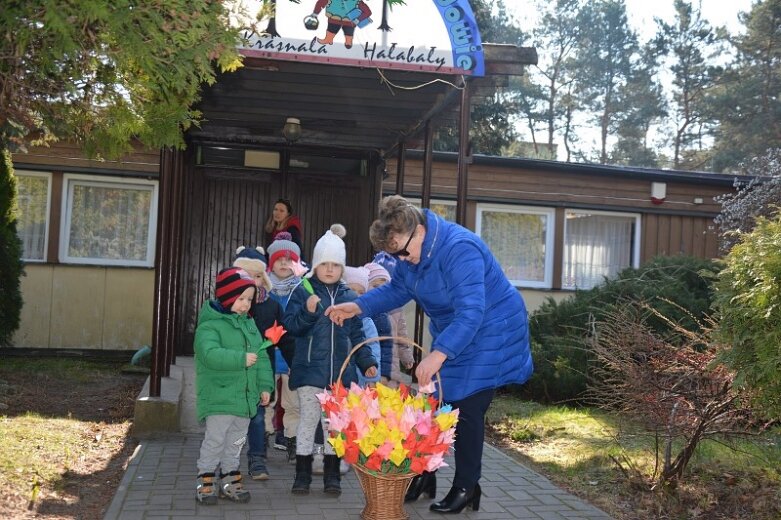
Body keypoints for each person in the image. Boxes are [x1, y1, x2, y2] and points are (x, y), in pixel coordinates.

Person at [325, 195, 533, 514]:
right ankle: (423, 475)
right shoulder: (413, 253)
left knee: (467, 407)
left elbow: (472, 311)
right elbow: (397, 290)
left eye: (404, 252)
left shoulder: (461, 249)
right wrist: (357, 306)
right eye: (396, 254)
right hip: (457, 329)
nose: (403, 259)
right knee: (434, 404)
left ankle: (466, 486)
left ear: (418, 232)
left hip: (491, 327)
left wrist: (439, 354)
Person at [282, 229, 378, 496]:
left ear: (342, 267)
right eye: (324, 263)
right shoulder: (303, 291)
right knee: (308, 422)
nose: (329, 269)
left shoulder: (350, 296)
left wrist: (366, 360)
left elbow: (358, 333)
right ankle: (302, 476)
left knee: (334, 426)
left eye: (335, 264)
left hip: (340, 376)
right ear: (315, 265)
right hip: (310, 373)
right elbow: (291, 327)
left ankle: (332, 475)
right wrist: (309, 312)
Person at [194, 267, 275, 505]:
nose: (246, 304)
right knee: (215, 441)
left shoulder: (250, 326)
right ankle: (205, 481)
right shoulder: (209, 326)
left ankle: (229, 480)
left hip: (244, 400)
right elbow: (209, 354)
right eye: (241, 299)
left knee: (236, 443)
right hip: (220, 397)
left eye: (249, 299)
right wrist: (239, 358)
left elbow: (261, 359)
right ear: (227, 297)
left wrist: (265, 386)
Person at [233, 246, 294, 481]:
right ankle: (225, 460)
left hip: (262, 373)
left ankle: (257, 460)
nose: (253, 281)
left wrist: (294, 363)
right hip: (234, 371)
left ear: (264, 277)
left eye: (258, 276)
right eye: (246, 275)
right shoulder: (230, 308)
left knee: (258, 416)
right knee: (233, 417)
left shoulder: (272, 306)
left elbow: (285, 338)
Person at [266, 233, 304, 462]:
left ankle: (292, 440)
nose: (283, 264)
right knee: (265, 399)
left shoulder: (300, 291)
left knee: (293, 403)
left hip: (292, 358)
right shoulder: (263, 291)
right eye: (279, 259)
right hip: (267, 356)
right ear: (271, 263)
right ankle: (262, 439)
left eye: (289, 260)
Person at [368, 255, 415, 386]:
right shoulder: (365, 312)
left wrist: (406, 356)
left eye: (386, 287)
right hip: (370, 367)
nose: (380, 291)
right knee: (368, 401)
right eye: (375, 285)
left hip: (391, 368)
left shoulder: (396, 309)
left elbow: (402, 336)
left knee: (389, 400)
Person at [342, 265, 382, 387]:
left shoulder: (366, 321)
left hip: (360, 380)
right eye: (351, 290)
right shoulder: (335, 317)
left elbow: (373, 347)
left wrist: (373, 375)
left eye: (361, 292)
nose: (356, 295)